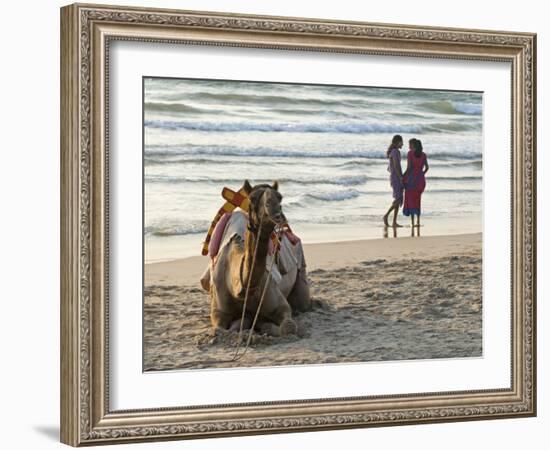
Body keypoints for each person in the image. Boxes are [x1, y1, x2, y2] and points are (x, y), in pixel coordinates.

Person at [403, 138, 429, 230]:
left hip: (411, 180)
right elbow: (427, 167)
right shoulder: (424, 155)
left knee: (410, 200)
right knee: (417, 200)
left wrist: (403, 176)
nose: (409, 146)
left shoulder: (410, 154)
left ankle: (413, 222)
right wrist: (421, 174)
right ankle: (418, 221)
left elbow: (409, 168)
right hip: (421, 181)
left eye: (409, 144)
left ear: (413, 145)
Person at [383, 134, 404, 227]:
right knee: (398, 199)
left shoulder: (394, 152)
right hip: (396, 178)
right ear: (397, 142)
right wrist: (400, 176)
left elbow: (389, 167)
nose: (402, 144)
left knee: (398, 199)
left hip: (395, 176)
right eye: (401, 142)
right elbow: (396, 166)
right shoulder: (395, 152)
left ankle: (394, 222)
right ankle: (386, 215)